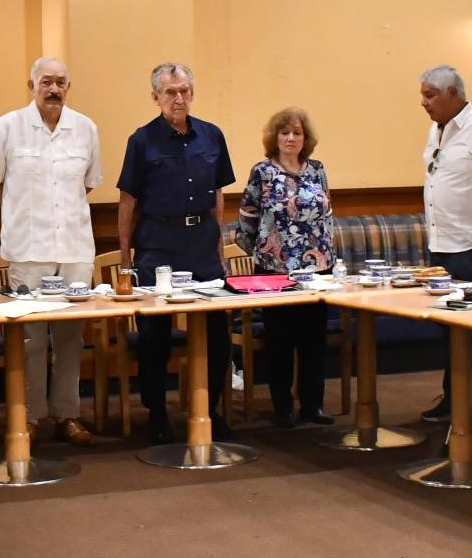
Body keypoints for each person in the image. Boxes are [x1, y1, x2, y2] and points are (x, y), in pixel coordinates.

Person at [0, 58, 103, 445]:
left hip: (74, 248)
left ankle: (68, 415)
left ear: (70, 87)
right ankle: (31, 417)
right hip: (28, 249)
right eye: (46, 82)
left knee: (70, 338)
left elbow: (88, 184)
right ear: (30, 84)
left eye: (61, 83)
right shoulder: (7, 127)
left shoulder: (86, 129)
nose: (54, 89)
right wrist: (21, 212)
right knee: (31, 339)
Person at [118, 63, 236, 442]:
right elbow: (127, 202)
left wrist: (219, 248)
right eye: (169, 93)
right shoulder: (141, 141)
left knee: (217, 331)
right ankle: (155, 413)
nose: (178, 99)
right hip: (158, 244)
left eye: (184, 90)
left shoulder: (212, 135)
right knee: (155, 335)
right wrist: (125, 260)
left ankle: (211, 410)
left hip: (201, 243)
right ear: (155, 97)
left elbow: (218, 196)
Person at [235, 106, 335, 428]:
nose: (291, 138)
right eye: (285, 132)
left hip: (317, 269)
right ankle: (282, 407)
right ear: (274, 137)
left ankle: (312, 405)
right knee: (280, 341)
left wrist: (327, 257)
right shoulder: (262, 172)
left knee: (313, 341)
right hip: (275, 270)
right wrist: (264, 256)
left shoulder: (317, 170)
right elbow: (247, 219)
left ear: (305, 139)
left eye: (297, 133)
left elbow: (327, 217)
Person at [416, 65, 472, 432]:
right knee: (447, 330)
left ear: (453, 94)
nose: (424, 102)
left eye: (430, 94)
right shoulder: (438, 129)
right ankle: (454, 398)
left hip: (469, 245)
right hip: (441, 244)